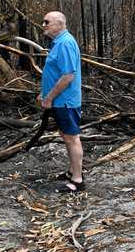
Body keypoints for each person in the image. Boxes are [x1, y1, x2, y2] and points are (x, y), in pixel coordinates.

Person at [38, 11, 84, 193]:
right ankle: (73, 171)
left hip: (65, 102)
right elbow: (57, 73)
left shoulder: (65, 43)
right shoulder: (58, 43)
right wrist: (44, 94)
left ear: (60, 24)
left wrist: (49, 97)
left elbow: (67, 77)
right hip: (60, 101)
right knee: (66, 136)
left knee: (72, 138)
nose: (44, 25)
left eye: (47, 22)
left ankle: (78, 180)